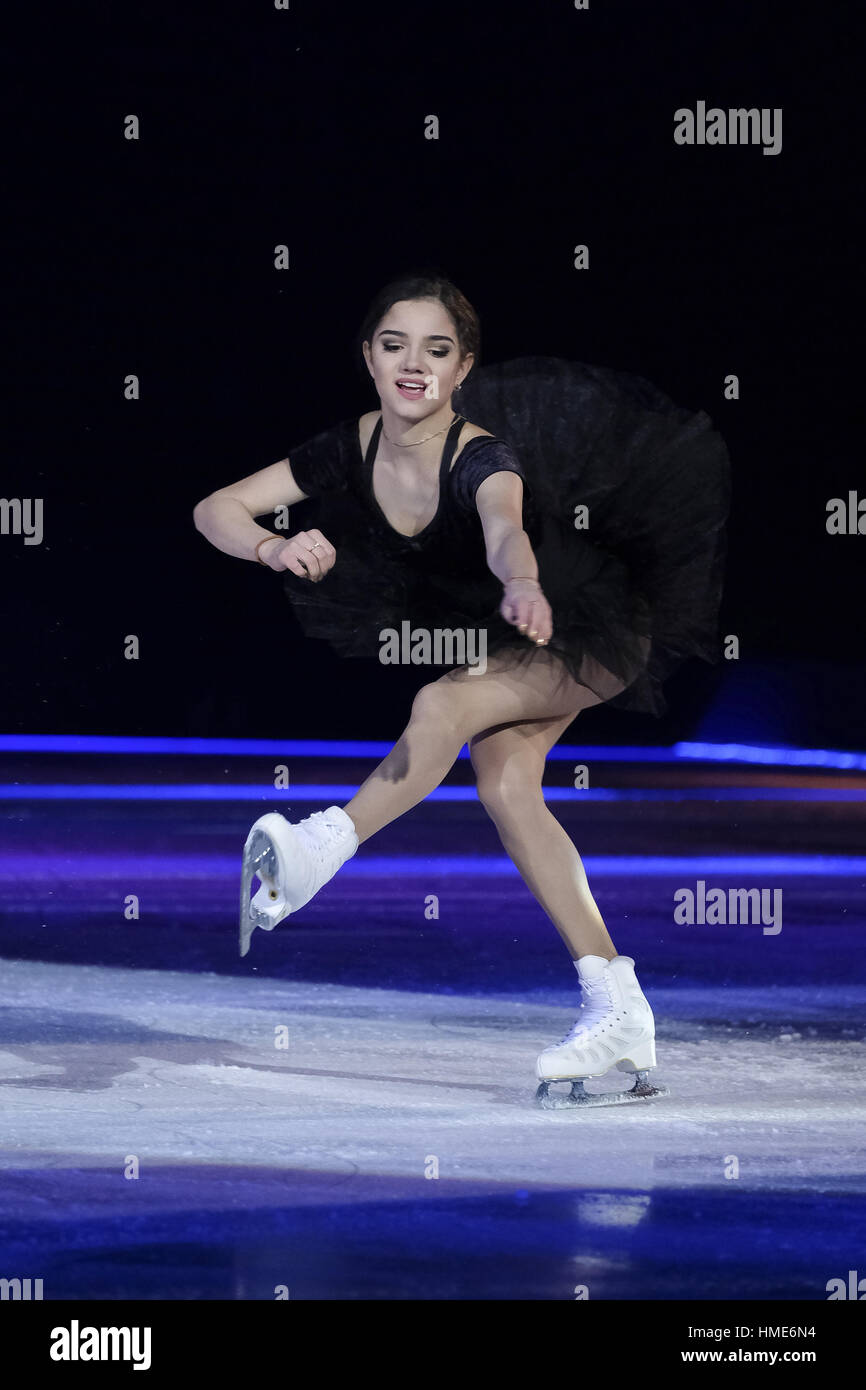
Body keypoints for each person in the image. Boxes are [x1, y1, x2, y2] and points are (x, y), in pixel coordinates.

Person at [192, 272, 730, 1107]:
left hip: (583, 619)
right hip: (515, 632)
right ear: (369, 357)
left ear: (463, 366)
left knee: (442, 707)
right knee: (508, 784)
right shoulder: (350, 446)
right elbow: (218, 507)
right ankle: (616, 1007)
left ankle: (316, 852)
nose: (414, 364)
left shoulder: (483, 457)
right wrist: (271, 548)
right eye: (395, 344)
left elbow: (505, 528)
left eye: (436, 349)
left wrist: (523, 582)